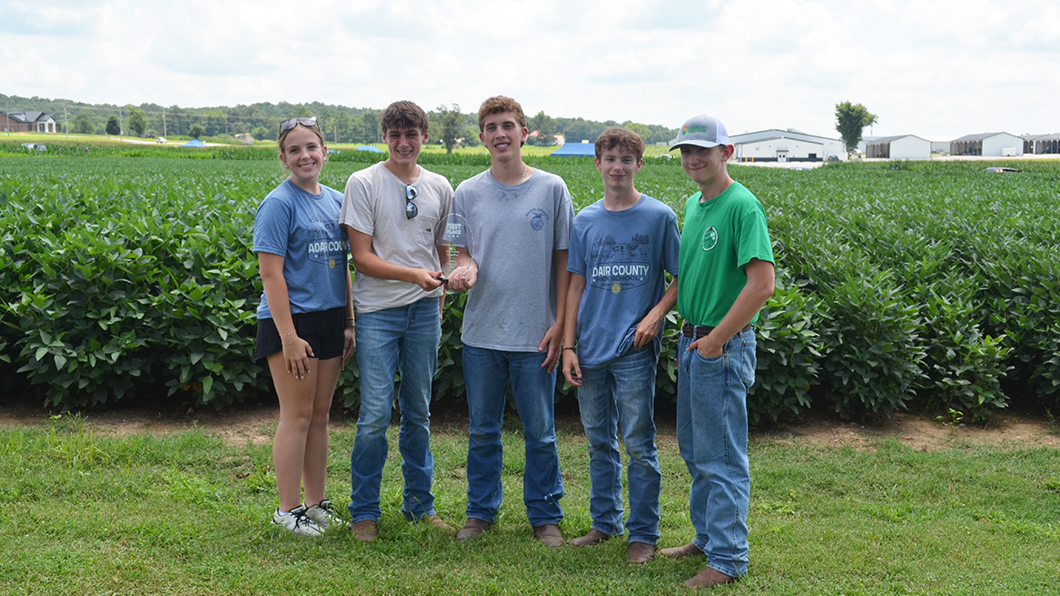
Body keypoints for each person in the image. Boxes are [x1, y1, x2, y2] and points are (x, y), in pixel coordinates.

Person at [446, 96, 574, 547]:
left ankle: (545, 516)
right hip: (481, 332)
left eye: (508, 125)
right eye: (491, 127)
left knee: (540, 431)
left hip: (536, 332)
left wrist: (559, 321)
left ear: (524, 132)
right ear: (482, 137)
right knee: (483, 430)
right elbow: (461, 254)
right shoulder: (466, 192)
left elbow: (564, 260)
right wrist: (465, 271)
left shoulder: (552, 188)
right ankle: (480, 512)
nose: (500, 134)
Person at [658, 115, 775, 588]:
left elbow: (762, 284)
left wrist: (716, 341)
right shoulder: (696, 203)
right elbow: (689, 275)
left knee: (722, 456)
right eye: (685, 152)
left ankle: (727, 559)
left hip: (718, 347)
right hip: (694, 341)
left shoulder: (742, 206)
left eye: (702, 151)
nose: (692, 159)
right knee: (695, 448)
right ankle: (707, 537)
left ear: (726, 152)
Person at [560, 127, 679, 564]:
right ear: (597, 163)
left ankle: (643, 534)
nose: (617, 167)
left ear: (639, 165)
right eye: (610, 159)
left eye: (626, 160)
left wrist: (654, 316)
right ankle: (603, 523)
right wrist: (569, 346)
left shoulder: (659, 216)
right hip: (589, 348)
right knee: (597, 440)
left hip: (633, 350)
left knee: (639, 442)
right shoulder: (585, 220)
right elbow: (574, 285)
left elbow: (680, 279)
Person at [339, 100, 453, 542]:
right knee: (373, 414)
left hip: (425, 311)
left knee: (419, 413)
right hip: (377, 314)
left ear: (424, 137)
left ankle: (420, 506)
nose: (403, 143)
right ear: (384, 137)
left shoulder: (440, 186)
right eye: (394, 135)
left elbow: (443, 250)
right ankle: (364, 511)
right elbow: (362, 259)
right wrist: (414, 276)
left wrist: (439, 291)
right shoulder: (363, 183)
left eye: (412, 135)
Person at [253, 116, 356, 537]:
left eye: (311, 147)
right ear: (283, 159)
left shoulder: (337, 201)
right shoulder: (279, 203)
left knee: (319, 415)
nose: (304, 156)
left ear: (325, 152)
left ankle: (316, 504)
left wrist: (349, 321)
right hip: (292, 321)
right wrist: (289, 337)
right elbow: (271, 275)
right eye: (294, 150)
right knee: (295, 416)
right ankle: (286, 509)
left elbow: (345, 267)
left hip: (332, 318)